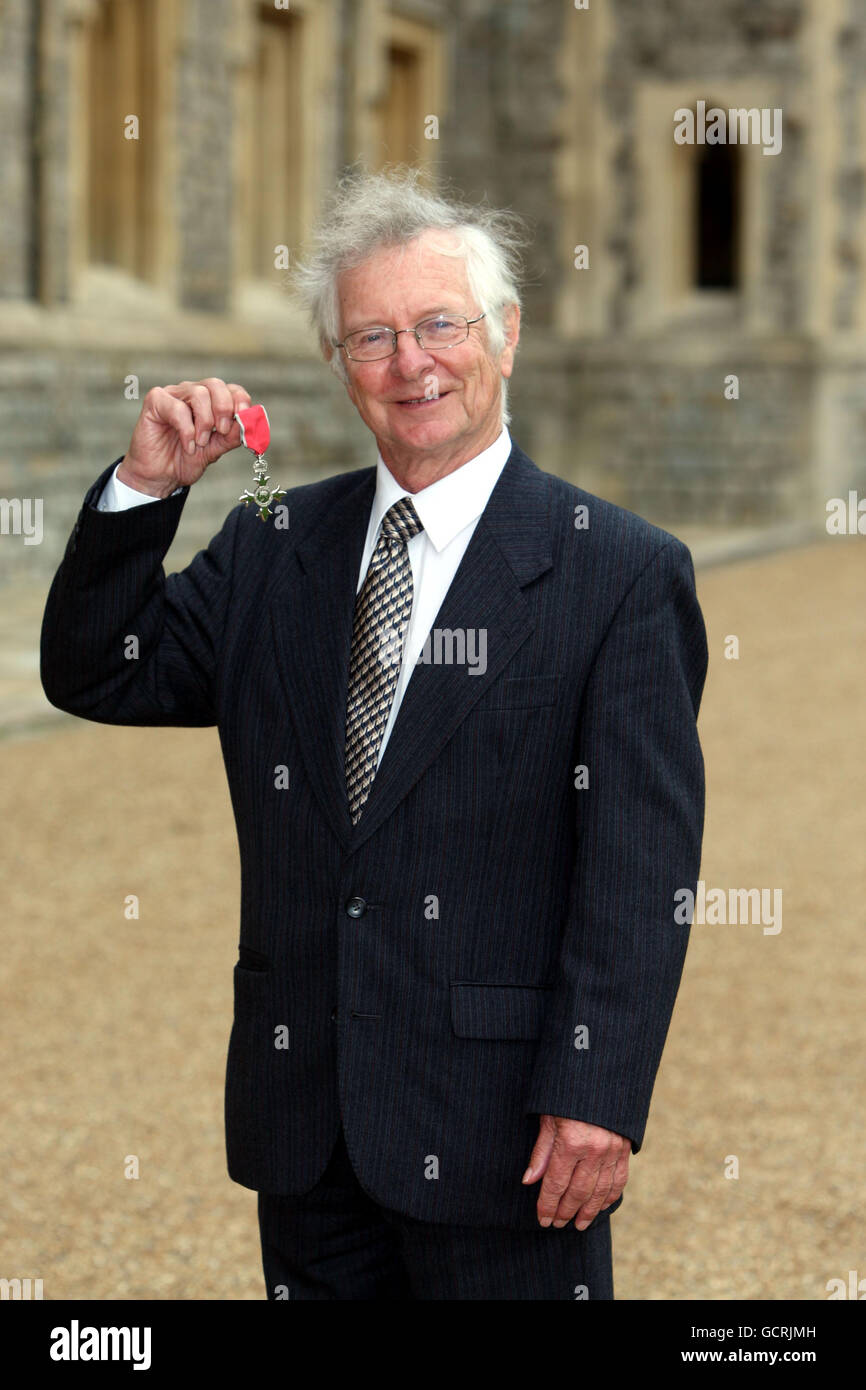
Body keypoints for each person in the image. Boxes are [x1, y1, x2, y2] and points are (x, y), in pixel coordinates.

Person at [40, 168, 708, 1301]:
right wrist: (145, 488)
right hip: (305, 1128)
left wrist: (597, 1092)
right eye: (372, 337)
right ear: (339, 367)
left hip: (503, 1141)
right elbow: (100, 670)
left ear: (503, 335)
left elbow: (639, 871)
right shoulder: (269, 543)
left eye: (439, 324)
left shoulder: (618, 571)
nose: (411, 363)